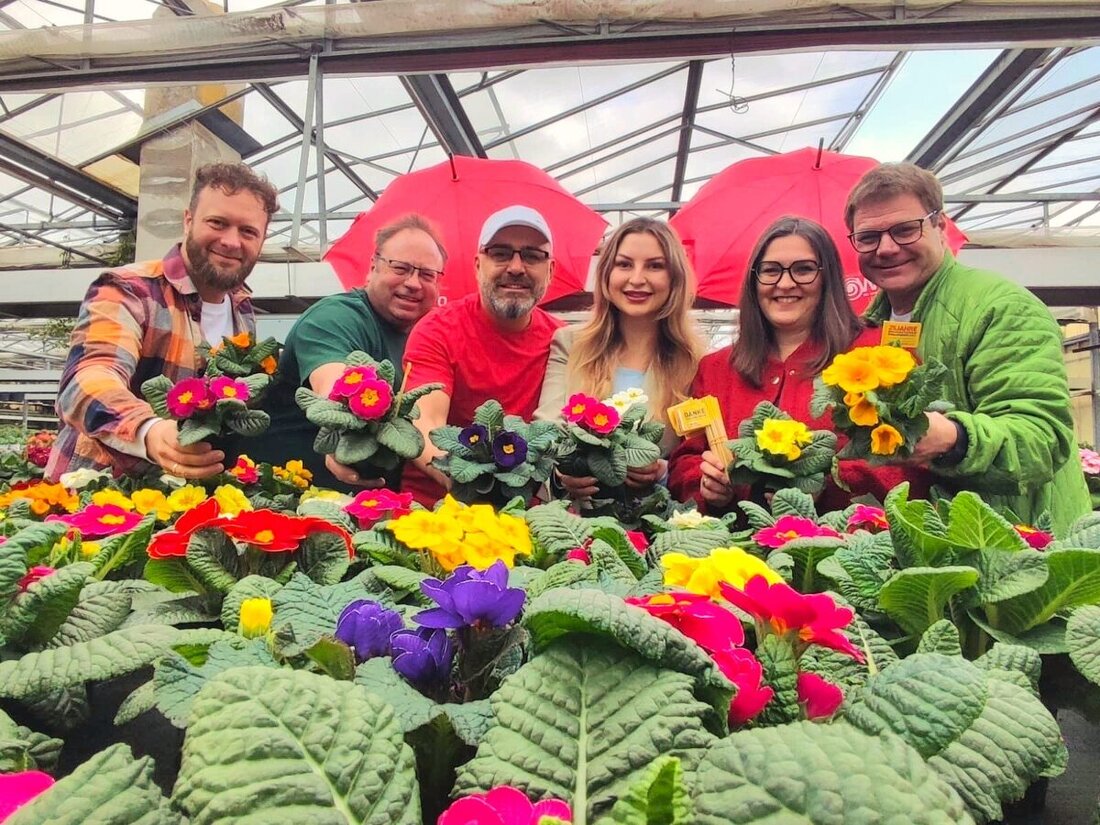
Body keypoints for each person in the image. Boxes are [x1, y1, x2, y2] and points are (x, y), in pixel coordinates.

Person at [846, 162, 1090, 533]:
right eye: (869, 237)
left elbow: (1042, 440)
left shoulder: (1000, 307)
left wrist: (954, 439)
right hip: (937, 543)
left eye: (905, 230)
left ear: (940, 226)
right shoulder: (869, 323)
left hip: (1020, 545)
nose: (887, 248)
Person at [668, 216, 927, 514]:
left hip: (844, 543)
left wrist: (827, 485)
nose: (785, 283)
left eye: (804, 270)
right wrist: (704, 482)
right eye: (771, 270)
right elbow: (686, 456)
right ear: (754, 280)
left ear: (827, 277)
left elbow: (913, 461)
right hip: (738, 550)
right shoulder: (716, 368)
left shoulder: (878, 354)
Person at [46, 162, 278, 482]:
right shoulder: (130, 288)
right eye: (217, 222)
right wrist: (150, 432)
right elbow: (87, 379)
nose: (231, 241)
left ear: (262, 240)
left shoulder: (243, 310)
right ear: (188, 221)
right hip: (97, 497)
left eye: (248, 231)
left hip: (184, 504)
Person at [254, 214, 447, 491]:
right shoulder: (334, 317)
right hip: (290, 496)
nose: (414, 283)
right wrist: (347, 427)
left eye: (427, 274)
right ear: (373, 267)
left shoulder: (428, 336)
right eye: (401, 268)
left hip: (372, 505)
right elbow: (335, 382)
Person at [401, 205, 563, 506]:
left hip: (530, 514)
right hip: (438, 509)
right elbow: (425, 423)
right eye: (500, 253)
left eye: (532, 255)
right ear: (478, 265)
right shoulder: (438, 330)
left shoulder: (564, 341)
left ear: (550, 270)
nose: (516, 267)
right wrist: (475, 485)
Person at [535, 217, 702, 497]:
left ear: (675, 278)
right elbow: (545, 433)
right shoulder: (570, 344)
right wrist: (560, 474)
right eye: (624, 264)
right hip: (577, 523)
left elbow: (697, 454)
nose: (637, 279)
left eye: (655, 266)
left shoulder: (696, 361)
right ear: (606, 275)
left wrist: (664, 472)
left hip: (660, 525)